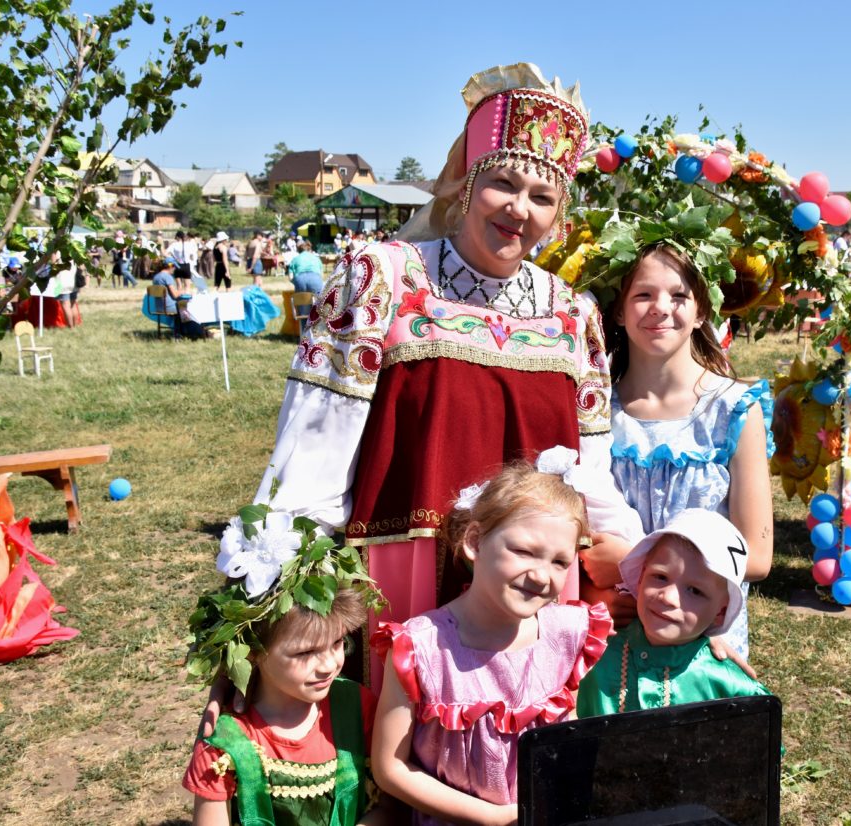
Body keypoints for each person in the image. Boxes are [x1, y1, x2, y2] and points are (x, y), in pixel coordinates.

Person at [250, 62, 643, 689]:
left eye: (542, 198)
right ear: (466, 182)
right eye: (503, 185)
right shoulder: (383, 277)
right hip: (404, 571)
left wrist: (629, 559)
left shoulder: (575, 316)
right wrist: (277, 578)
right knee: (401, 745)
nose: (519, 209)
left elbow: (589, 475)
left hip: (535, 583)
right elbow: (316, 448)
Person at [371, 453, 613, 825]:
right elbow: (390, 766)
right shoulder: (421, 648)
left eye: (560, 562)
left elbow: (568, 731)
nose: (541, 575)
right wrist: (490, 817)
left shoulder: (568, 634)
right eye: (523, 551)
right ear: (475, 542)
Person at [580, 242, 774, 660]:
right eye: (643, 295)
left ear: (701, 310)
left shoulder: (733, 409)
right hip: (613, 630)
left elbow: (756, 557)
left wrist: (633, 562)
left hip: (702, 643)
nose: (660, 308)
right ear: (618, 310)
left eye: (679, 295)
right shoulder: (593, 410)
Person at [184, 509, 391, 825]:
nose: (329, 665)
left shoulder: (358, 706)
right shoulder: (228, 742)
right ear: (252, 650)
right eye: (305, 653)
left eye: (337, 643)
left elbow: (393, 806)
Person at [577, 509, 769, 717]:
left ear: (720, 612)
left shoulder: (728, 684)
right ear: (641, 578)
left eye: (695, 591)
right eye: (660, 576)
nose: (668, 597)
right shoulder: (594, 655)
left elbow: (758, 744)